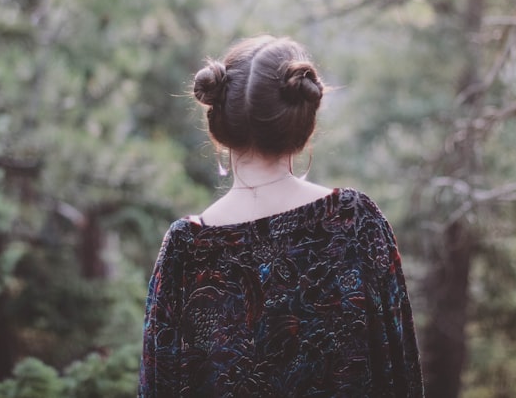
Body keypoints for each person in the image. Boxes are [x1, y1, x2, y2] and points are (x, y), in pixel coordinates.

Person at [138, 35, 424, 397]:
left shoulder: (186, 249)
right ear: (303, 125)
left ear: (219, 124)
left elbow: (159, 385)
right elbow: (400, 371)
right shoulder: (354, 222)